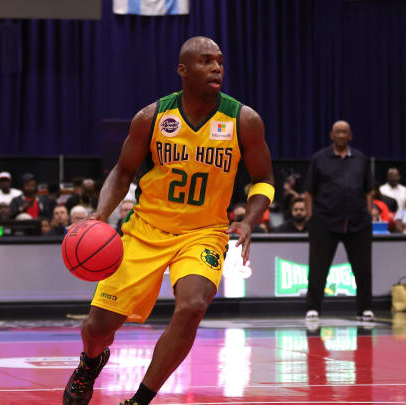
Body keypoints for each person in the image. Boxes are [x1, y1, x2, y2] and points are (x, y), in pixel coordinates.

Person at [62, 37, 274, 405]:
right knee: (97, 328)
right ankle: (89, 364)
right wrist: (99, 214)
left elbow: (264, 181)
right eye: (206, 61)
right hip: (146, 230)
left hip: (204, 233)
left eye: (219, 61)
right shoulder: (153, 117)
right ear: (183, 70)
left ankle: (140, 399)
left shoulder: (244, 120)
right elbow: (122, 172)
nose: (216, 68)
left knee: (192, 306)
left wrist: (251, 219)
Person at [304, 120, 374, 323]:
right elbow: (308, 192)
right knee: (318, 267)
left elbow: (369, 191)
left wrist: (369, 215)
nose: (342, 135)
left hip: (358, 222)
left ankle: (365, 309)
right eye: (338, 132)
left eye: (345, 132)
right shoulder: (319, 158)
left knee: (363, 268)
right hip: (324, 221)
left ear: (350, 136)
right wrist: (311, 218)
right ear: (332, 135)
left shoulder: (361, 158)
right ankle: (312, 308)